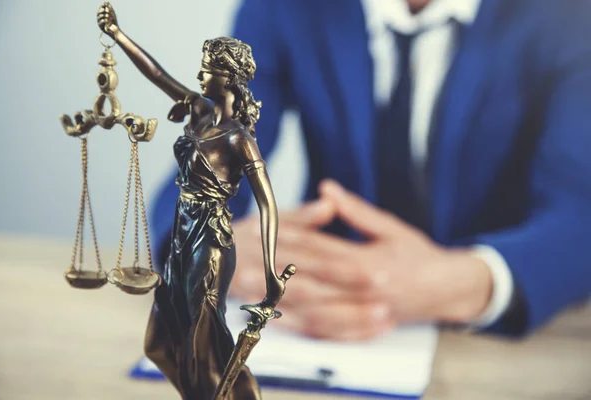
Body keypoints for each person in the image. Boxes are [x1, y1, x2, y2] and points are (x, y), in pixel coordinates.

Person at [149, 0, 591, 341]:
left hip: (501, 335)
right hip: (320, 315)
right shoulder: (285, 7)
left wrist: (471, 281)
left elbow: (580, 211)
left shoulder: (568, 16)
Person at [96, 3, 294, 399]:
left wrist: (271, 271)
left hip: (212, 242)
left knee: (201, 351)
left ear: (228, 79)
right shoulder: (199, 111)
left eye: (208, 69)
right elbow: (156, 74)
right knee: (158, 344)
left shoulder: (240, 139)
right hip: (182, 233)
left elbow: (268, 203)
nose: (200, 75)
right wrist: (117, 35)